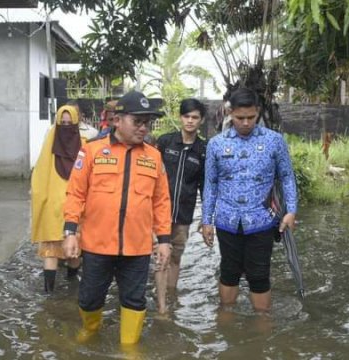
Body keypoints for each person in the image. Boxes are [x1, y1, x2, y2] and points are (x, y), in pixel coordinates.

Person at [62, 90, 172, 345]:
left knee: (134, 299)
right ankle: (90, 329)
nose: (144, 128)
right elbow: (75, 194)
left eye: (148, 122)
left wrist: (164, 240)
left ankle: (129, 347)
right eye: (138, 121)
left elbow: (161, 201)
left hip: (137, 247)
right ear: (116, 120)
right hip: (97, 244)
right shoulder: (91, 152)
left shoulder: (154, 157)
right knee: (90, 297)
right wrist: (70, 233)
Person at [201, 88, 297, 313]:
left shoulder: (275, 141)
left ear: (258, 113)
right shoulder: (216, 144)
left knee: (259, 273)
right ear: (230, 113)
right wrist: (207, 220)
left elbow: (286, 177)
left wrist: (291, 210)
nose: (245, 123)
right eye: (239, 118)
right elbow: (210, 184)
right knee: (228, 271)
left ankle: (262, 323)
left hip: (261, 220)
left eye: (250, 118)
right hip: (227, 219)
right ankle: (226, 319)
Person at [154, 98, 207, 314]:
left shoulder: (203, 150)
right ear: (180, 117)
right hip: (158, 214)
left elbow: (205, 186)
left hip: (183, 215)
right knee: (158, 257)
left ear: (201, 120)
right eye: (186, 116)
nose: (190, 121)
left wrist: (206, 218)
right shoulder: (165, 142)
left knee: (175, 256)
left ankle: (171, 298)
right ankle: (161, 304)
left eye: (195, 117)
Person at [31, 105, 83, 293]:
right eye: (63, 123)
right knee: (52, 250)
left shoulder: (85, 145)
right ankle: (50, 293)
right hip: (53, 208)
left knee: (75, 250)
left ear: (77, 123)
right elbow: (39, 176)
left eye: (70, 123)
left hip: (76, 207)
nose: (66, 127)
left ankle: (70, 287)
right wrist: (40, 204)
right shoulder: (49, 145)